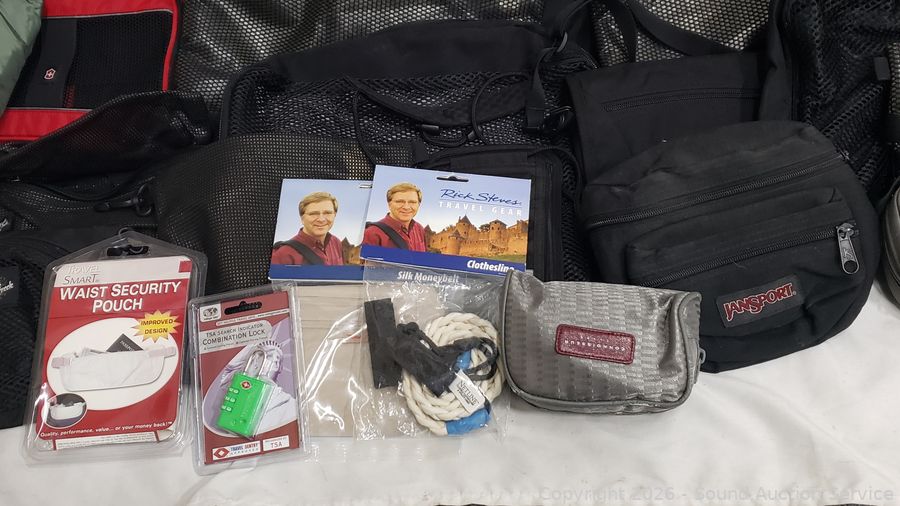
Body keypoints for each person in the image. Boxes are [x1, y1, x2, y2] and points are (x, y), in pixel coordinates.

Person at [272, 192, 345, 265]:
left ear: (335, 215)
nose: (321, 219)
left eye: (327, 213)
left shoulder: (336, 243)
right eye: (313, 214)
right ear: (302, 218)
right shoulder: (283, 254)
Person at [362, 182, 427, 252]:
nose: (406, 207)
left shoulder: (419, 229)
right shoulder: (372, 234)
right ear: (389, 204)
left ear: (418, 205)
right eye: (400, 202)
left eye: (412, 202)